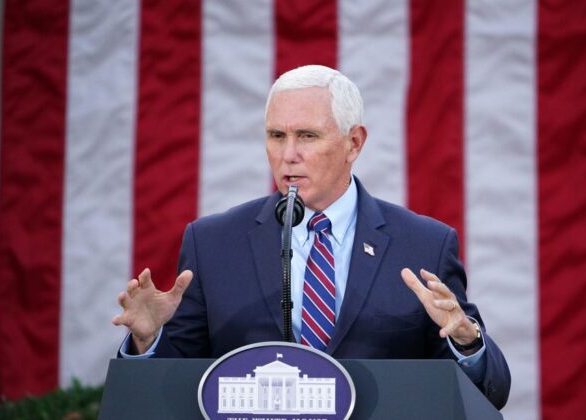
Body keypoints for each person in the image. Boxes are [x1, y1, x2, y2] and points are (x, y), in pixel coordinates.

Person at [112, 65, 511, 409]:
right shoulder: (213, 244)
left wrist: (468, 342)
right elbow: (175, 387)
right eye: (275, 136)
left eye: (306, 136)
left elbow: (488, 393)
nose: (288, 155)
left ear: (353, 143)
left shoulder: (424, 244)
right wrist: (149, 343)